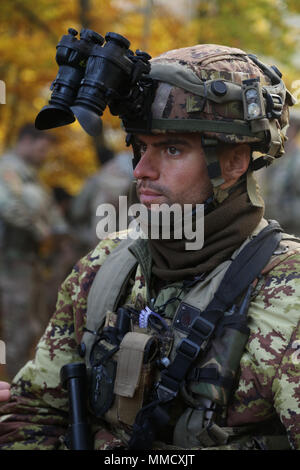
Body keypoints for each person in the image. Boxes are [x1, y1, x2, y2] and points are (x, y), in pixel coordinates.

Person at [0, 44, 299, 451]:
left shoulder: (289, 292)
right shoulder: (106, 264)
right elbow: (33, 415)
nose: (142, 170)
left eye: (172, 148)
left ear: (234, 161)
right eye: (141, 146)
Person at [0, 124, 69, 379]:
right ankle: (17, 397)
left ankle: (24, 387)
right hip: (11, 261)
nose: (45, 155)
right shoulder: (9, 170)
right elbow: (8, 208)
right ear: (26, 141)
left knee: (32, 328)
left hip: (28, 264)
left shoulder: (30, 175)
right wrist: (43, 233)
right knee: (21, 331)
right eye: (42, 149)